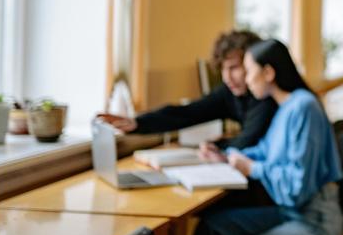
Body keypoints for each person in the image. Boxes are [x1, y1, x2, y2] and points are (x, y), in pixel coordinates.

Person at [187, 39, 343, 235]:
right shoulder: (286, 108)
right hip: (291, 213)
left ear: (269, 73)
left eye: (249, 71)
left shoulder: (304, 108)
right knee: (212, 228)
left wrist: (253, 169)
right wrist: (225, 156)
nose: (246, 80)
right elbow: (264, 151)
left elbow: (296, 187)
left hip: (315, 221)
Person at [97, 29, 276, 150]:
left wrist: (221, 144)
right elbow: (187, 112)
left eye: (234, 68)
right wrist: (138, 123)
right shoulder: (230, 93)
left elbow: (249, 140)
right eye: (222, 68)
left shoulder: (267, 97)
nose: (226, 77)